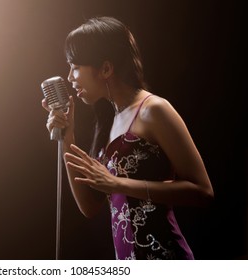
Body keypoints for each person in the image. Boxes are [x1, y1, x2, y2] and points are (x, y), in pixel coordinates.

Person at [41, 16, 214, 260]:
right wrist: (67, 137)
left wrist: (118, 184)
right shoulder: (110, 121)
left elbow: (203, 192)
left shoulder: (154, 109)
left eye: (75, 66)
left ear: (106, 69)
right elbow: (90, 207)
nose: (70, 77)